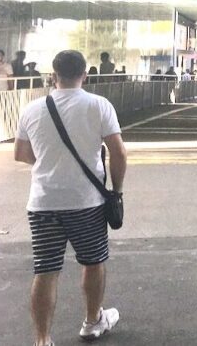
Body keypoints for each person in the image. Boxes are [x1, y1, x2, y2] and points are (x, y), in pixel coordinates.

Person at [14, 50, 126, 346]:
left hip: (43, 203)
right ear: (85, 75)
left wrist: (51, 163)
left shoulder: (32, 109)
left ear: (54, 75)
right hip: (86, 202)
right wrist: (117, 190)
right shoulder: (99, 105)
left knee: (46, 269)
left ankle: (42, 339)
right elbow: (118, 152)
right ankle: (92, 322)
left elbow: (21, 154)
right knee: (93, 262)